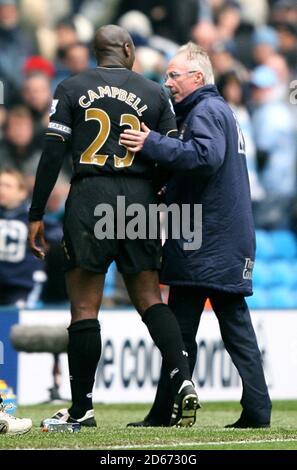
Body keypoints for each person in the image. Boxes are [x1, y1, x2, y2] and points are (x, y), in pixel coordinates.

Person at [28, 25, 199, 428]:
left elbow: (52, 154)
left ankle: (82, 409)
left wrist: (36, 213)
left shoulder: (70, 87)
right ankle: (184, 378)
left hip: (90, 197)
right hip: (138, 197)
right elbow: (170, 156)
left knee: (85, 307)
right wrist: (152, 192)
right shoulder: (155, 92)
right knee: (149, 298)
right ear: (126, 48)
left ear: (95, 51)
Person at [120, 42, 272, 428]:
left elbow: (205, 159)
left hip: (208, 240)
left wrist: (151, 143)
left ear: (197, 78)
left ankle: (251, 411)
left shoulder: (205, 110)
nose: (167, 81)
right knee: (192, 331)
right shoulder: (219, 110)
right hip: (217, 238)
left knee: (202, 330)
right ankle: (245, 410)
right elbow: (206, 171)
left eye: (174, 75)